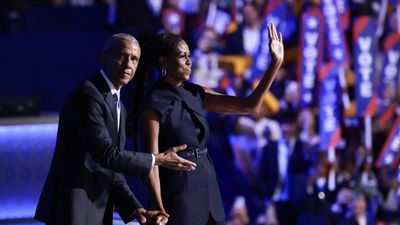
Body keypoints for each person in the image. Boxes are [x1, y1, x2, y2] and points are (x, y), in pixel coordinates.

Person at [34, 33, 197, 225]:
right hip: (73, 208)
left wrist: (137, 210)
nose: (129, 64)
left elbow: (113, 170)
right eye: (122, 56)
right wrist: (157, 159)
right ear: (103, 58)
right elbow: (106, 154)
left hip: (97, 208)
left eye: (134, 59)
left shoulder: (118, 103)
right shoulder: (88, 95)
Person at [138, 23, 283, 225]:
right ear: (164, 62)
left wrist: (275, 64)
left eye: (189, 55)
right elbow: (151, 163)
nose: (189, 61)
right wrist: (159, 208)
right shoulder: (154, 103)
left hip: (208, 188)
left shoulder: (197, 93)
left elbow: (249, 106)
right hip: (177, 196)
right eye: (182, 56)